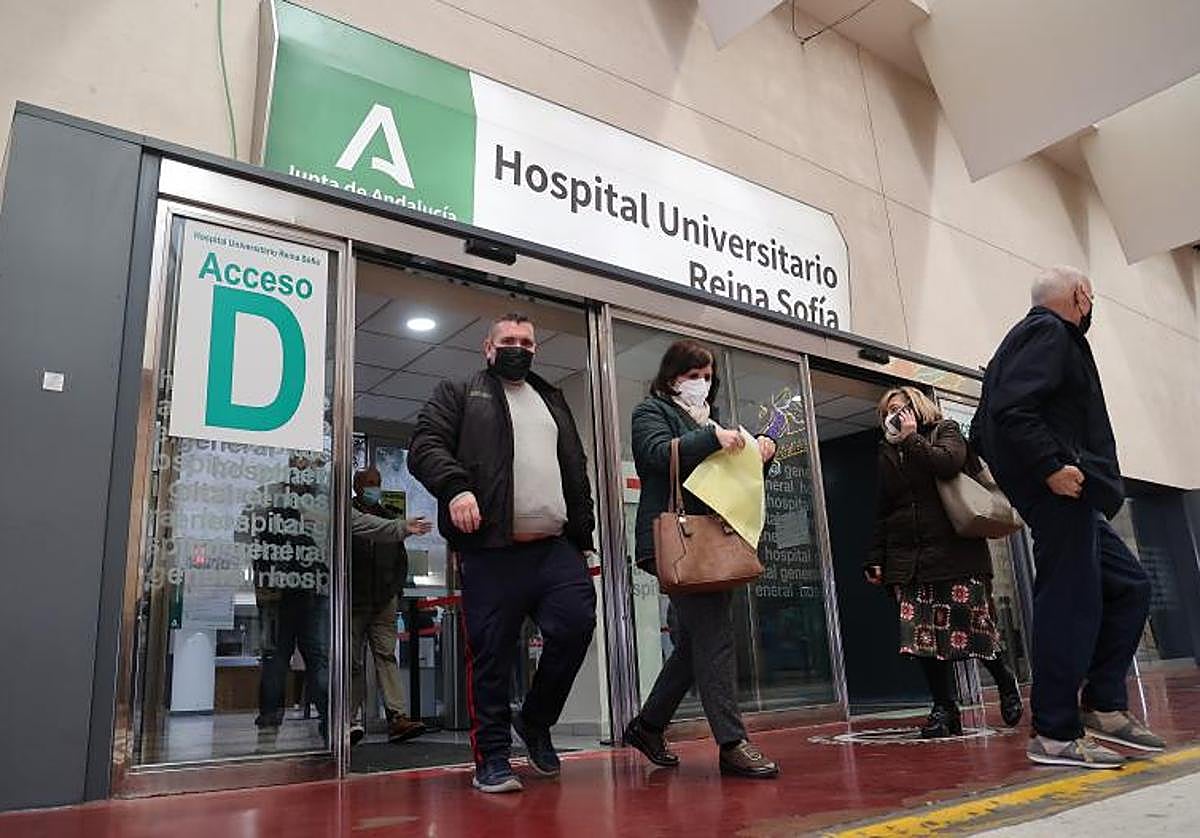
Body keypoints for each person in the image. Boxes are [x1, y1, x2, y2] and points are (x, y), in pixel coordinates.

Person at [972, 265, 1161, 769]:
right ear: (1081, 294)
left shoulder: (1024, 341)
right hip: (1062, 492)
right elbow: (1011, 411)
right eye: (1090, 296)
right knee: (1069, 601)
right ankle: (1055, 732)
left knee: (1129, 586)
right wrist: (1049, 467)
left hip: (1074, 494)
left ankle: (1102, 702)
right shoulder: (1048, 331)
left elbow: (982, 424)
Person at [407, 313, 597, 794]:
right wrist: (456, 488)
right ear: (487, 349)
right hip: (492, 550)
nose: (519, 347)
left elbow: (573, 466)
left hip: (555, 546)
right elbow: (425, 445)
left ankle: (534, 720)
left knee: (576, 626)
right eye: (508, 340)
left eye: (527, 342)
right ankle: (492, 758)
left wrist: (584, 529)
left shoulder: (550, 398)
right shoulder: (459, 392)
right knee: (491, 655)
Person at [621, 339, 780, 779]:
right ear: (673, 377)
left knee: (696, 645)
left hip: (709, 544)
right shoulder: (650, 412)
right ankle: (732, 743)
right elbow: (655, 456)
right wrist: (711, 438)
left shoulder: (717, 421)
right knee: (716, 637)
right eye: (694, 375)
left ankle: (648, 725)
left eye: (708, 376)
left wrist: (759, 454)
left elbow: (734, 477)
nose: (702, 383)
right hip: (676, 541)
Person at [865, 387, 1023, 739]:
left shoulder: (946, 431)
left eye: (903, 407)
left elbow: (947, 464)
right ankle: (944, 708)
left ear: (918, 407)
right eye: (889, 411)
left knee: (975, 630)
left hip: (957, 555)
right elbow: (884, 507)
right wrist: (876, 557)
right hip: (910, 559)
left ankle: (1004, 681)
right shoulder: (887, 451)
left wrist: (911, 440)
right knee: (923, 640)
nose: (897, 415)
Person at [242, 453, 331, 746]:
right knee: (310, 657)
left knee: (279, 657)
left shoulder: (277, 502)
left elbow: (249, 540)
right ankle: (327, 718)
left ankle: (271, 716)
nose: (307, 470)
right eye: (303, 464)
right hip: (302, 593)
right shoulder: (288, 504)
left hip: (285, 594)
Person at [349, 465, 432, 746]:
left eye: (378, 483)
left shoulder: (388, 516)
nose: (374, 487)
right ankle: (349, 720)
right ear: (356, 486)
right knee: (352, 662)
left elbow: (400, 562)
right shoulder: (346, 515)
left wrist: (393, 590)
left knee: (387, 656)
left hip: (383, 600)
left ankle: (398, 718)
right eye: (369, 483)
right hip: (354, 601)